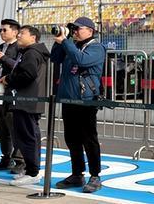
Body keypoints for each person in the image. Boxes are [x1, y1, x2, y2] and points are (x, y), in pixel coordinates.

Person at [50, 17, 105, 193]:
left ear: (90, 30)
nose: (74, 31)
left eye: (78, 29)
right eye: (73, 29)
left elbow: (81, 60)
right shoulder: (71, 46)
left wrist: (66, 42)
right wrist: (60, 40)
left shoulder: (96, 47)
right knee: (72, 139)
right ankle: (77, 174)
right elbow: (55, 58)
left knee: (89, 139)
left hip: (86, 100)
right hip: (68, 99)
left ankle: (95, 175)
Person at [0, 25, 49, 186]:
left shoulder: (32, 53)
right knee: (26, 136)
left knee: (28, 137)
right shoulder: (29, 52)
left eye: (22, 33)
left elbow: (28, 74)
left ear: (33, 37)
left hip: (27, 101)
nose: (19, 36)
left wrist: (9, 79)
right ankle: (30, 169)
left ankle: (33, 172)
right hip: (26, 100)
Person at [0, 18, 25, 173]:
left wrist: (4, 58)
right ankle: (6, 158)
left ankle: (20, 161)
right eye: (0, 30)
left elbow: (19, 67)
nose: (1, 33)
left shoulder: (20, 47)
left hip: (12, 94)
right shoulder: (2, 46)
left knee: (15, 129)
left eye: (4, 30)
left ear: (15, 32)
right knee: (1, 130)